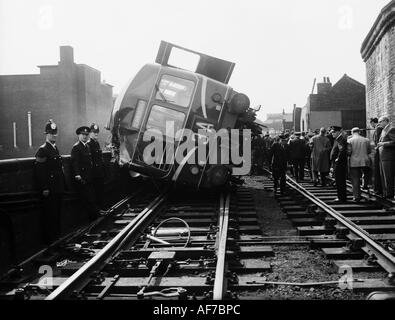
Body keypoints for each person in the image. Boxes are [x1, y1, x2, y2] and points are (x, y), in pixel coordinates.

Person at [34, 120, 65, 244]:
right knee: (49, 215)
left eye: (55, 133)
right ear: (46, 134)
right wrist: (44, 187)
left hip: (57, 187)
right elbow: (40, 172)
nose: (53, 135)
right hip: (49, 189)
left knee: (56, 213)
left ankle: (56, 238)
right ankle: (50, 240)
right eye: (51, 133)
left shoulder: (55, 148)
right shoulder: (42, 150)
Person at [71, 126, 100, 221]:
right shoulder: (76, 147)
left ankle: (94, 219)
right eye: (83, 134)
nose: (84, 136)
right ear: (79, 135)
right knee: (86, 200)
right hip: (82, 179)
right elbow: (75, 162)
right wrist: (77, 174)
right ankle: (89, 221)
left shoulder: (87, 146)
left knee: (92, 198)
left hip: (89, 177)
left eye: (86, 135)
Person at [347, 127, 371, 202]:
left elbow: (349, 152)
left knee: (355, 179)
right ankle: (365, 185)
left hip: (354, 162)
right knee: (366, 174)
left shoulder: (350, 140)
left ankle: (357, 197)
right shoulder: (366, 140)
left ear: (352, 132)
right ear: (359, 132)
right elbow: (369, 151)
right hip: (365, 160)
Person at [88, 123, 106, 209]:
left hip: (99, 173)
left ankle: (102, 209)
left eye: (97, 132)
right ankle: (98, 210)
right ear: (90, 133)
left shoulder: (97, 143)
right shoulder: (88, 144)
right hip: (94, 174)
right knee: (95, 193)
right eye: (94, 132)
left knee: (101, 192)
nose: (96, 134)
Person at [377, 116, 395, 199]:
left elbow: (394, 142)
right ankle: (386, 193)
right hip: (383, 156)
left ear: (385, 121)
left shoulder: (391, 129)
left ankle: (389, 194)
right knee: (383, 176)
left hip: (388, 157)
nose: (379, 123)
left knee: (388, 176)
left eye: (380, 121)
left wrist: (383, 144)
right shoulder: (384, 130)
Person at [330, 126, 348, 203]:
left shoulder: (340, 139)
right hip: (338, 163)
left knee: (340, 181)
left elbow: (342, 151)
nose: (332, 134)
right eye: (332, 132)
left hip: (339, 164)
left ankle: (341, 198)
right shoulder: (338, 139)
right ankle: (341, 197)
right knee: (339, 181)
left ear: (338, 132)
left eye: (333, 132)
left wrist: (338, 159)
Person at [370, 118, 383, 194]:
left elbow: (377, 141)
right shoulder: (378, 129)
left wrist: (376, 147)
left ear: (372, 122)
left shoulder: (378, 129)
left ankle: (378, 189)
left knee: (377, 170)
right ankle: (378, 189)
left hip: (378, 151)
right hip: (378, 150)